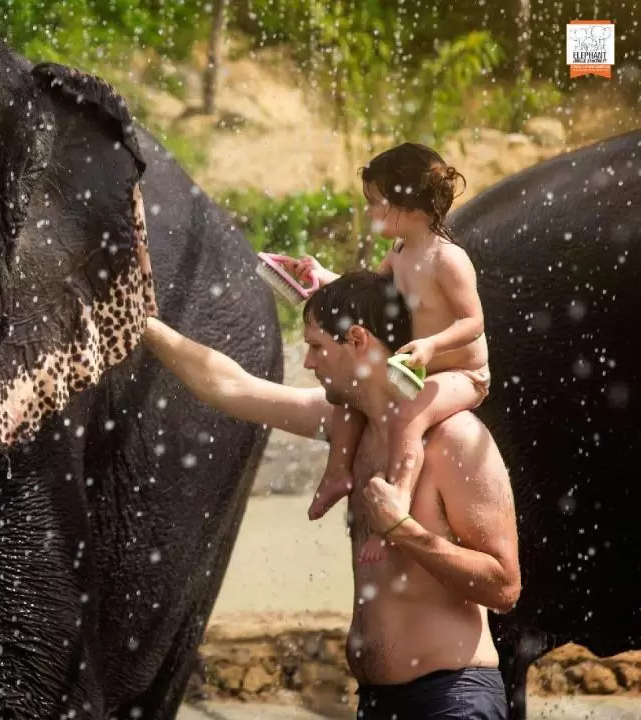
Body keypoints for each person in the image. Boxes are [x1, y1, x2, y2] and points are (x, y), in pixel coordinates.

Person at [142, 270, 520, 719]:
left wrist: (403, 531)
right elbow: (231, 386)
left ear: (358, 341)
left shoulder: (454, 437)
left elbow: (504, 586)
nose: (308, 362)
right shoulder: (349, 426)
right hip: (379, 702)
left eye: (318, 346)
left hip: (453, 699)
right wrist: (142, 323)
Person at [284, 142, 490, 564]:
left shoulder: (447, 259)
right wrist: (325, 277)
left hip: (460, 375)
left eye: (377, 204)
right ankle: (338, 472)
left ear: (409, 204)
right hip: (414, 367)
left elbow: (474, 322)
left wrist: (431, 344)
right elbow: (370, 295)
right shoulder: (399, 253)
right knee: (351, 398)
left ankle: (395, 515)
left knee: (409, 415)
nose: (372, 213)